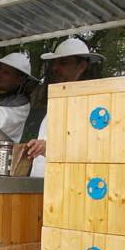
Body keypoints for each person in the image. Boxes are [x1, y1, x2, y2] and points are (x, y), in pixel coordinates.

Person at [25, 38, 105, 177]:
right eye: (55, 63)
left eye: (63, 63)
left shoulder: (93, 103)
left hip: (68, 184)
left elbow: (91, 146)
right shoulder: (59, 98)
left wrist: (49, 148)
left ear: (82, 66)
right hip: (42, 183)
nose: (55, 68)